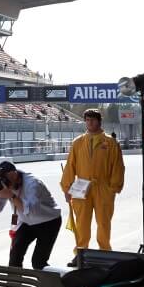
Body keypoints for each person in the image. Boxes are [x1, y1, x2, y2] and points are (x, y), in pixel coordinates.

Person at [60, 108, 125, 253]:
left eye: (93, 120)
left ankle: (105, 251)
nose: (90, 123)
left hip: (103, 187)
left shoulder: (110, 142)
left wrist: (113, 187)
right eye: (87, 120)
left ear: (99, 121)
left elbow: (118, 166)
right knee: (81, 222)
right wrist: (67, 188)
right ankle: (81, 252)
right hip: (80, 187)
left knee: (103, 222)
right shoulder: (77, 142)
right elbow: (70, 166)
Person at [0, 160, 63, 269]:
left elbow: (30, 211)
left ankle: (56, 278)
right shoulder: (6, 184)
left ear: (14, 175)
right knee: (14, 257)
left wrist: (12, 196)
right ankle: (14, 280)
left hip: (48, 221)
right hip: (26, 222)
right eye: (1, 180)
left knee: (38, 263)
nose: (4, 184)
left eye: (5, 180)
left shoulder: (33, 184)